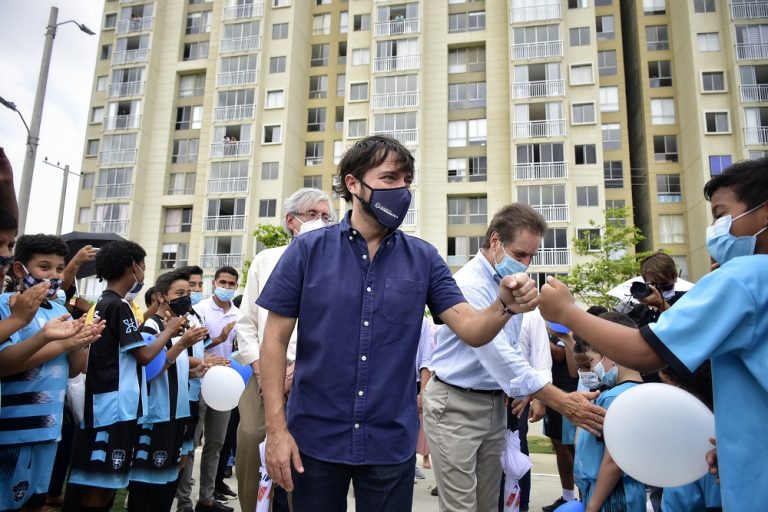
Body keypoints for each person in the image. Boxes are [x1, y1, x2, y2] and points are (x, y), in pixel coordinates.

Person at [257, 136, 552, 511]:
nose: (402, 190)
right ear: (353, 184)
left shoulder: (424, 258)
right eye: (390, 178)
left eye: (407, 180)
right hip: (313, 437)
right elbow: (273, 341)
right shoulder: (307, 250)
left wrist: (504, 306)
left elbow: (470, 328)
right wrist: (276, 430)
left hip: (389, 443)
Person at [538, 158, 768, 511]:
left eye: (722, 215)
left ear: (764, 213)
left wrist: (567, 312)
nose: (715, 229)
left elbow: (645, 351)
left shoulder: (744, 277)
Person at [423, 203, 602, 512]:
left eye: (532, 256)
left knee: (489, 505)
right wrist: (562, 402)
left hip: (494, 405)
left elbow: (513, 347)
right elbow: (496, 352)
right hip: (455, 406)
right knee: (460, 508)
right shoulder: (469, 284)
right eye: (520, 255)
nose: (526, 264)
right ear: (495, 242)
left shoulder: (510, 284)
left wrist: (516, 388)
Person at [234, 186, 335, 512]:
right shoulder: (266, 260)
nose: (321, 222)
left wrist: (300, 370)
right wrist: (263, 368)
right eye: (313, 215)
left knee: (304, 460)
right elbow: (247, 324)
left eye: (326, 217)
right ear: (291, 221)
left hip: (315, 374)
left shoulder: (338, 266)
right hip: (264, 370)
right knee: (251, 442)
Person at [64, 241, 184, 512]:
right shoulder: (118, 306)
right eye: (142, 265)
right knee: (102, 483)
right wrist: (170, 331)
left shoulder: (104, 304)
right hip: (115, 407)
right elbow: (143, 355)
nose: (143, 272)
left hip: (109, 403)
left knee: (102, 481)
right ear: (133, 266)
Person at [0, 234, 103, 511]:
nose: (55, 276)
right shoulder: (6, 306)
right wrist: (62, 342)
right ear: (20, 270)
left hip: (49, 428)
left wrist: (80, 340)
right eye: (44, 267)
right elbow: (4, 365)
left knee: (35, 503)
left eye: (60, 269)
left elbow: (74, 370)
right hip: (13, 431)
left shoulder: (59, 309)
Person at [128, 271, 208, 512]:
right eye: (180, 293)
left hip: (178, 416)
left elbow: (174, 370)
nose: (186, 298)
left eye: (189, 293)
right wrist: (181, 344)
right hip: (156, 418)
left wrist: (197, 370)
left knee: (168, 484)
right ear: (162, 297)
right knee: (147, 489)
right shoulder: (151, 328)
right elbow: (150, 372)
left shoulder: (179, 330)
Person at [572, 312, 646, 512]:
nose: (591, 368)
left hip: (611, 495)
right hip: (622, 490)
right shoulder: (639, 391)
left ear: (611, 351)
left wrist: (593, 505)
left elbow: (614, 460)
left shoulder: (613, 398)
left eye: (592, 360)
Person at [191, 266, 239, 512]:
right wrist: (210, 354)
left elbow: (240, 349)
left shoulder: (239, 315)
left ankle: (207, 498)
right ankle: (182, 500)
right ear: (213, 283)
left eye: (232, 284)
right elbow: (194, 345)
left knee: (217, 443)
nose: (227, 288)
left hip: (226, 387)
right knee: (191, 443)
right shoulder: (198, 310)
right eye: (223, 282)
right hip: (198, 383)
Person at [540, 322, 580, 512]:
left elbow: (558, 355)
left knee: (574, 449)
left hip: (570, 394)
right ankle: (567, 496)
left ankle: (584, 498)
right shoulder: (548, 328)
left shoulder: (568, 328)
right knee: (559, 447)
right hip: (551, 393)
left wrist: (538, 333)